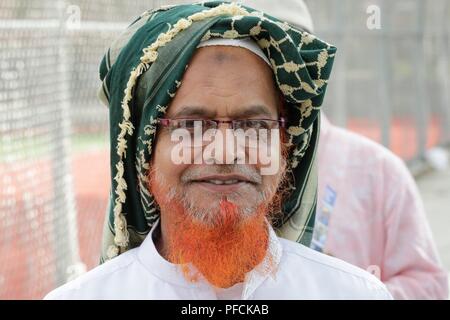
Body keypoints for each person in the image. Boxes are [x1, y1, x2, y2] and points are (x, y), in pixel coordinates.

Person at [45, 1, 391, 299]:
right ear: (145, 150)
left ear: (285, 148)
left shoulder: (354, 293)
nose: (226, 152)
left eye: (254, 126)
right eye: (193, 126)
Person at [241, 0, 448, 299]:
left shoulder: (378, 170)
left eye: (281, 57)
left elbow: (429, 285)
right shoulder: (204, 171)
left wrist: (349, 290)